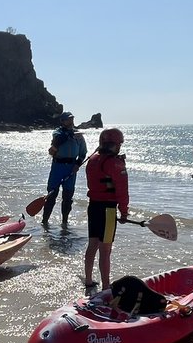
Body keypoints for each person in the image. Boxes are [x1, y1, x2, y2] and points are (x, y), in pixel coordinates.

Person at [83, 128, 130, 293]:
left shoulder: (92, 160)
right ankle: (105, 287)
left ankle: (88, 281)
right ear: (116, 144)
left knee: (92, 245)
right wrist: (124, 212)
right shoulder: (115, 162)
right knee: (105, 249)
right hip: (108, 210)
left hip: (93, 206)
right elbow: (122, 191)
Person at [41, 112, 87, 225]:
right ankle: (45, 221)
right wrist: (69, 135)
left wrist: (78, 164)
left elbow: (83, 152)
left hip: (71, 168)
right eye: (67, 119)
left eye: (71, 119)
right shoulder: (58, 132)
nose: (70, 121)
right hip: (58, 167)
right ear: (62, 121)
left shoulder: (79, 136)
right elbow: (58, 138)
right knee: (51, 195)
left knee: (68, 197)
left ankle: (65, 223)